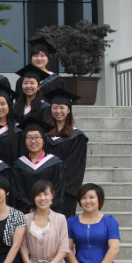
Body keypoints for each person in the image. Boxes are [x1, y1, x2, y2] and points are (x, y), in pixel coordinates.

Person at [45, 89, 88, 218]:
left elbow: (75, 167)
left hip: (65, 192)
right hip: (43, 190)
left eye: (62, 107)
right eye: (55, 107)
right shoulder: (43, 135)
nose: (58, 111)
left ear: (69, 110)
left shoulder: (77, 137)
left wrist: (57, 186)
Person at [14, 117, 66, 213]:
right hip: (26, 213)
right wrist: (29, 208)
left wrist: (46, 208)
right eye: (29, 137)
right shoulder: (18, 164)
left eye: (37, 137)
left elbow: (58, 190)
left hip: (49, 213)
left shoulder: (55, 163)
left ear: (43, 140)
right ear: (24, 142)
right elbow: (18, 191)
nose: (33, 141)